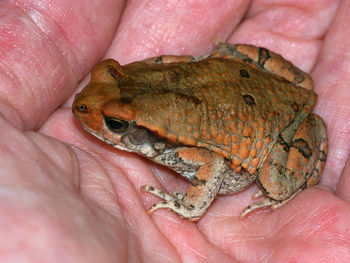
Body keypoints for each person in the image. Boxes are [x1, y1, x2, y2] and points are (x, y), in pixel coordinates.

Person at [0, 0, 349, 261]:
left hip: (281, 126)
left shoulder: (177, 141)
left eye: (116, 124)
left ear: (145, 133)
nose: (84, 104)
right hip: (243, 82)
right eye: (106, 74)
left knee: (276, 181)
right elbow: (180, 64)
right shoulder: (145, 76)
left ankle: (287, 188)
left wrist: (189, 206)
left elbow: (213, 164)